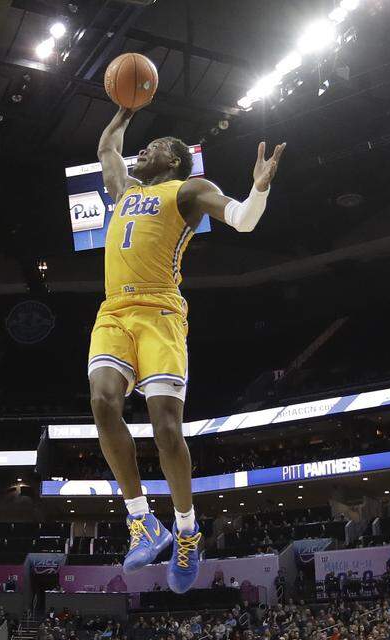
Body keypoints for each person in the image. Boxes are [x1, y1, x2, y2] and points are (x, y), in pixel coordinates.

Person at [92, 103, 285, 593]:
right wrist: (124, 111)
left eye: (153, 148)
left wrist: (259, 188)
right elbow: (107, 149)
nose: (141, 153)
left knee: (166, 429)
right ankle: (141, 521)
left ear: (175, 161)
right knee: (101, 402)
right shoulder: (125, 191)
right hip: (114, 310)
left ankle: (185, 529)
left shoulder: (189, 190)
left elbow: (242, 220)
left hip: (160, 313)